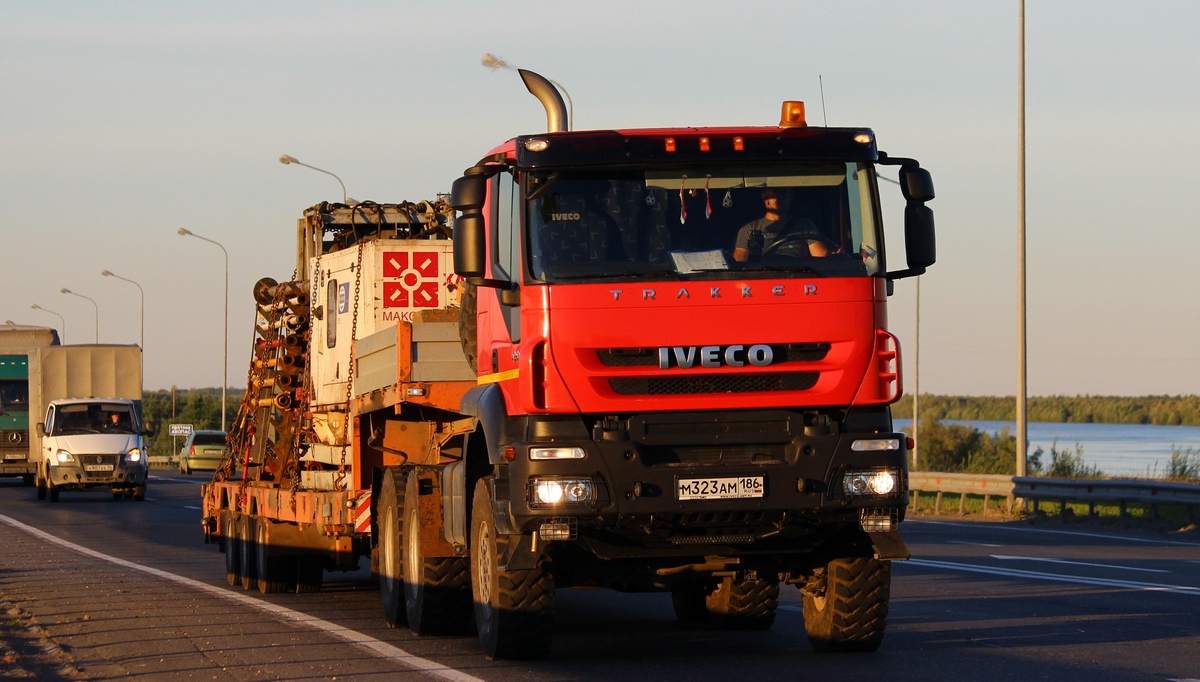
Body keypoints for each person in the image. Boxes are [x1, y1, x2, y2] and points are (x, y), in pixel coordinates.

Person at [732, 188, 832, 262]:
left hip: (799, 280)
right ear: (764, 196)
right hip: (762, 281)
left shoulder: (805, 225)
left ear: (790, 197)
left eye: (783, 192)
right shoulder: (749, 229)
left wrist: (834, 257)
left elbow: (820, 257)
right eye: (774, 192)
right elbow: (739, 264)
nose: (778, 196)